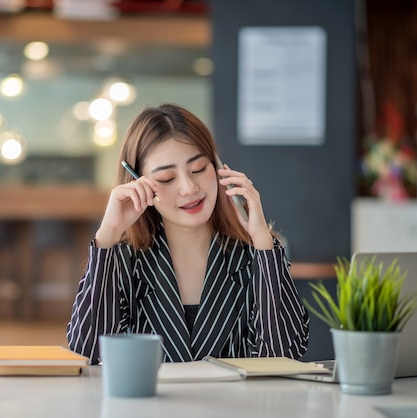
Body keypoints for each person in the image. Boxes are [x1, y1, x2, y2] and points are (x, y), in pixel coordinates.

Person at [67, 103, 309, 364]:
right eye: (167, 178)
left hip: (235, 406)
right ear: (138, 183)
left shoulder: (254, 255)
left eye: (198, 169)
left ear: (217, 167)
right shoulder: (127, 258)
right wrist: (108, 235)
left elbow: (284, 355)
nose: (188, 187)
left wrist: (261, 241)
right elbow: (87, 353)